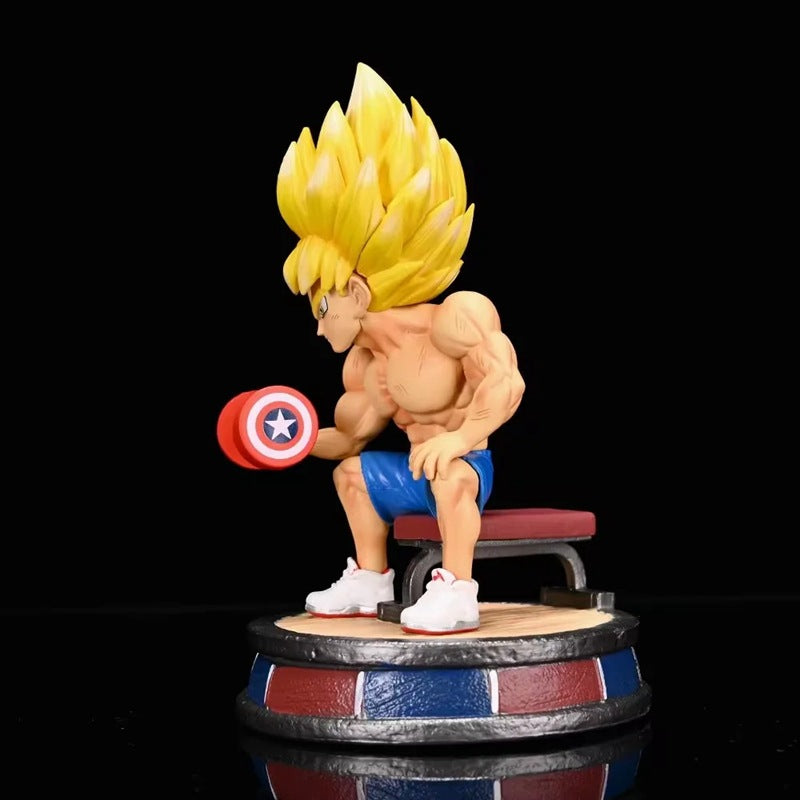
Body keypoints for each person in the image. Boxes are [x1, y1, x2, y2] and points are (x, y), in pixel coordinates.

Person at [277, 63, 525, 634]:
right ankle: (371, 580)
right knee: (352, 474)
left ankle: (457, 590)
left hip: (467, 470)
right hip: (416, 473)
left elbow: (506, 384)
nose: (319, 325)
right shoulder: (368, 363)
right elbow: (349, 437)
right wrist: (287, 440)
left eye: (323, 306)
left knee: (451, 474)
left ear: (358, 293)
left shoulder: (455, 319)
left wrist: (458, 438)